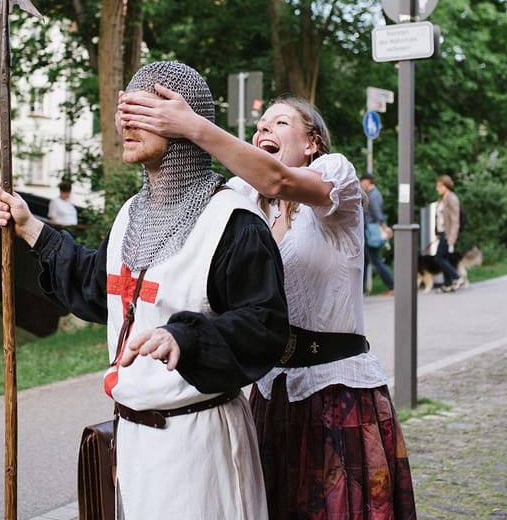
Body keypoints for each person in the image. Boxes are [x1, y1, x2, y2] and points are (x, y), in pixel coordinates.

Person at [0, 61, 289, 520]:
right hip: (131, 440)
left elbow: (265, 326)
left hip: (198, 443)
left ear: (184, 121)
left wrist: (184, 337)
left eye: (144, 108)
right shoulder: (132, 215)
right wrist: (32, 229)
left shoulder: (232, 223)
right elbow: (100, 288)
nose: (125, 119)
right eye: (122, 108)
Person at [118, 90, 417, 519]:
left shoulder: (336, 177)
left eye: (280, 123)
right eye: (261, 125)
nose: (263, 129)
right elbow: (201, 198)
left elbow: (278, 178)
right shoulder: (246, 200)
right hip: (270, 390)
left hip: (335, 390)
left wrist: (192, 125)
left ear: (311, 141)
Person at [360, 173, 395, 295]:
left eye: (362, 182)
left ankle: (392, 285)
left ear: (368, 182)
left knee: (375, 260)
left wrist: (385, 228)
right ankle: (361, 290)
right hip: (368, 230)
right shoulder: (373, 194)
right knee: (364, 261)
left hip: (370, 231)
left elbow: (378, 214)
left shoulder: (373, 195)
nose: (361, 185)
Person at [434, 174, 463, 292]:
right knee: (444, 257)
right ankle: (447, 284)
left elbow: (455, 220)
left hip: (448, 234)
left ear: (446, 186)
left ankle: (457, 277)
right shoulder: (442, 199)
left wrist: (452, 236)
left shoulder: (452, 198)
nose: (437, 188)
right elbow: (439, 218)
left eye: (440, 186)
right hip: (441, 232)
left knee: (439, 258)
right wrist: (436, 232)